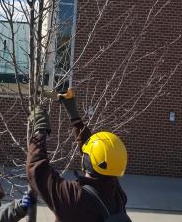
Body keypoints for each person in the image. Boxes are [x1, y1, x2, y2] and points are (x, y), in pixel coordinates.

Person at [26, 88, 131, 222]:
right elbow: (96, 153)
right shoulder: (117, 194)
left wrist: (40, 130)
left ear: (86, 161)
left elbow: (36, 170)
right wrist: (74, 116)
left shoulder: (74, 197)